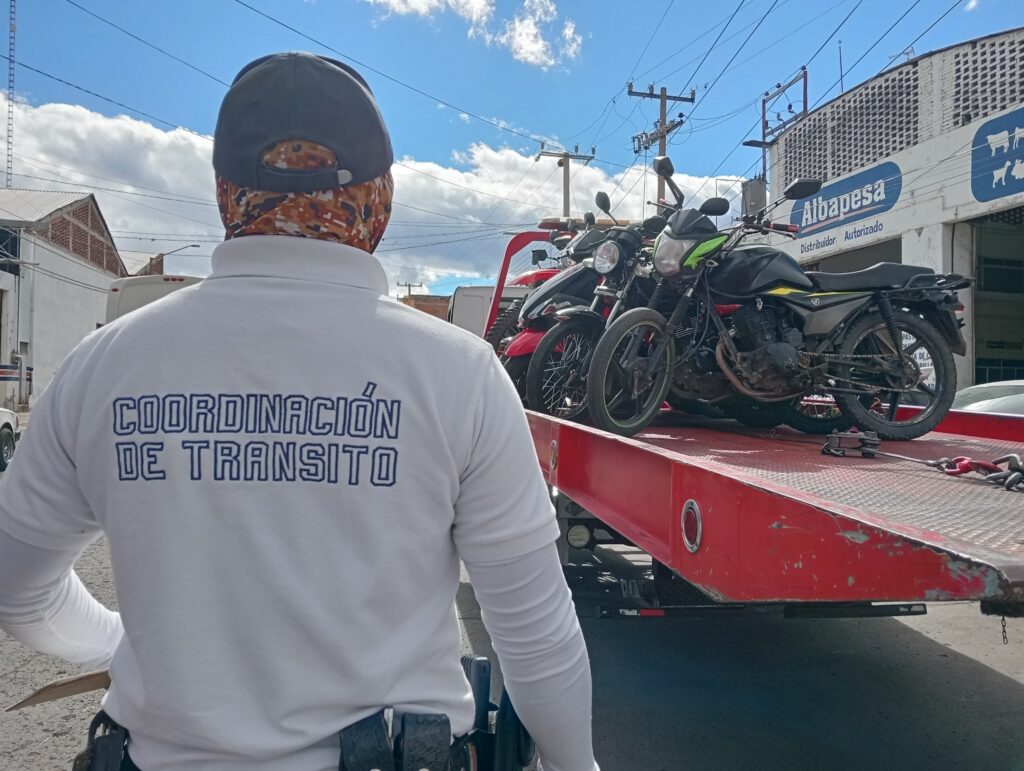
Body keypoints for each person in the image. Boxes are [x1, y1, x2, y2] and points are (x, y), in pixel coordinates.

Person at [0, 52, 599, 771]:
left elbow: (17, 590)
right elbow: (537, 639)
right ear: (379, 198)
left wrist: (122, 642)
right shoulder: (460, 374)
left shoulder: (101, 367)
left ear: (226, 191)